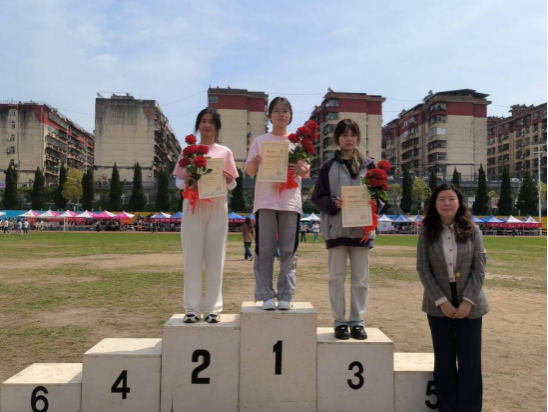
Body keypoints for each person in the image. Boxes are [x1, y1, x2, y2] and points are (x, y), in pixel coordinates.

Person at [417, 182, 489, 412]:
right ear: (434, 204)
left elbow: (479, 269)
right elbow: (423, 269)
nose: (447, 203)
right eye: (441, 199)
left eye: (451, 199)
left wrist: (467, 301)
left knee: (470, 363)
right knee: (444, 362)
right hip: (438, 304)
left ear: (459, 203)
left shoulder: (473, 230)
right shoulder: (426, 232)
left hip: (471, 304)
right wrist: (442, 302)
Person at [312, 119, 378, 341]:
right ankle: (340, 321)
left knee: (361, 278)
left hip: (362, 231)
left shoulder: (370, 166)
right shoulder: (328, 167)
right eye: (344, 135)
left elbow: (380, 195)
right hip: (337, 229)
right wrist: (332, 203)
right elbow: (317, 198)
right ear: (337, 138)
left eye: (353, 134)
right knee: (336, 277)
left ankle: (357, 320)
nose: (349, 139)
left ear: (358, 137)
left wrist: (376, 204)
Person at [173, 108, 239, 324]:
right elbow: (178, 181)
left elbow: (233, 183)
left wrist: (228, 180)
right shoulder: (188, 152)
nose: (207, 125)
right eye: (203, 121)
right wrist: (187, 181)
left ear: (217, 127)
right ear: (198, 125)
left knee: (215, 259)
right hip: (193, 206)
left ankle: (213, 309)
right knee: (191, 258)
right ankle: (191, 309)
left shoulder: (225, 152)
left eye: (211, 121)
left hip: (217, 205)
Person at [245, 97, 310, 311]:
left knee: (288, 251)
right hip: (266, 201)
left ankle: (285, 295)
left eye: (285, 110)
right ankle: (265, 294)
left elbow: (305, 171)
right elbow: (249, 171)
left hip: (290, 203)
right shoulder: (260, 141)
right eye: (277, 110)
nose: (281, 114)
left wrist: (299, 169)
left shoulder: (297, 143)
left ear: (290, 116)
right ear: (269, 116)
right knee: (264, 249)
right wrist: (255, 163)